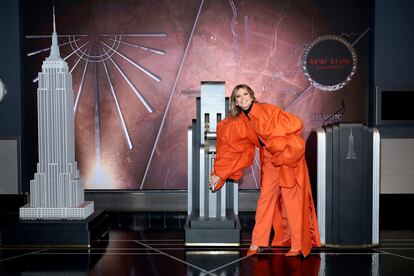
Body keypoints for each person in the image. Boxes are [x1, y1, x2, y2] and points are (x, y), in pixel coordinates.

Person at [209, 84, 320, 257]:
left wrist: (281, 147)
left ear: (252, 96)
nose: (242, 98)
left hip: (286, 157)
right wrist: (219, 173)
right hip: (269, 159)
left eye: (245, 94)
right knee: (265, 200)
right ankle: (256, 242)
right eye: (238, 96)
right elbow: (231, 148)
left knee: (292, 200)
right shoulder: (239, 122)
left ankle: (297, 245)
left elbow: (295, 123)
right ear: (235, 102)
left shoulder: (267, 110)